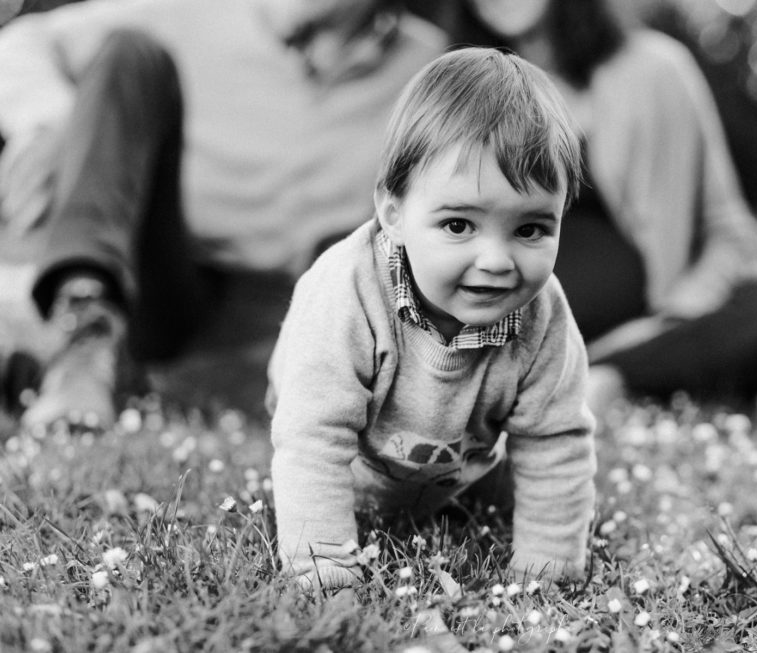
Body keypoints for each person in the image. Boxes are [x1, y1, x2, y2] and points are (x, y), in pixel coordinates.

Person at [0, 0, 445, 427]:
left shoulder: (428, 67)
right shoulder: (193, 11)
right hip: (172, 280)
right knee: (129, 54)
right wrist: (50, 118)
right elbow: (20, 42)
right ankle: (85, 337)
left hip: (297, 312)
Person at [267, 48, 596, 589]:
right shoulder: (347, 292)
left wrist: (549, 570)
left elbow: (555, 439)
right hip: (343, 471)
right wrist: (322, 568)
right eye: (460, 225)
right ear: (393, 214)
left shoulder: (543, 317)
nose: (496, 261)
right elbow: (312, 435)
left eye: (531, 230)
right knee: (316, 464)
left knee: (530, 490)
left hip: (456, 472)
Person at [439, 0, 757, 415]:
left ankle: (607, 375)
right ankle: (648, 375)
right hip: (507, 319)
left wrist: (681, 311)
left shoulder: (657, 68)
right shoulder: (462, 89)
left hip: (645, 318)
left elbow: (728, 228)